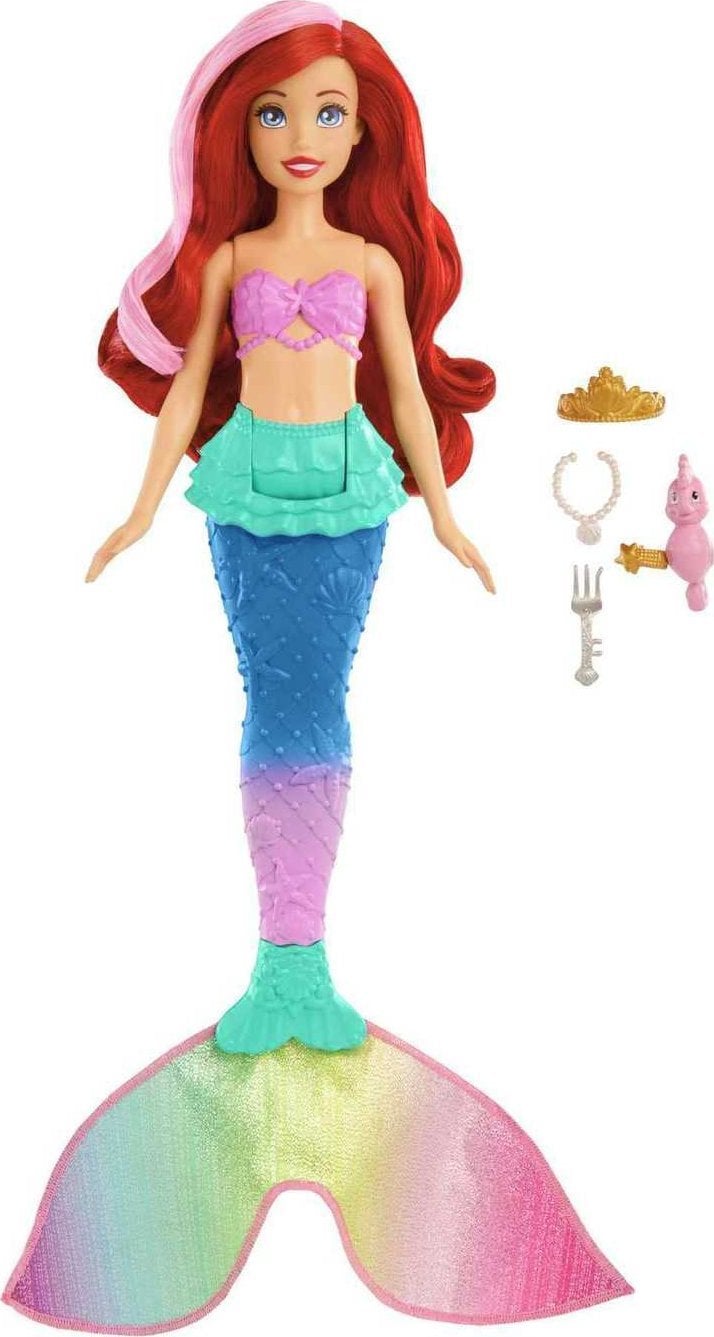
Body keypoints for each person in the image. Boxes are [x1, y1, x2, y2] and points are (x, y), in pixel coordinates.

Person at [3, 6, 631, 1327]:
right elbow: (191, 391)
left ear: (365, 134)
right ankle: (283, 957)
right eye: (276, 113)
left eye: (329, 112)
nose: (302, 135)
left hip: (347, 499)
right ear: (235, 133)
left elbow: (403, 385)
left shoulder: (372, 261)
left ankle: (300, 958)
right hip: (245, 494)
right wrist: (139, 504)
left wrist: (446, 514)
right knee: (270, 700)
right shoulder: (232, 258)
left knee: (317, 702)